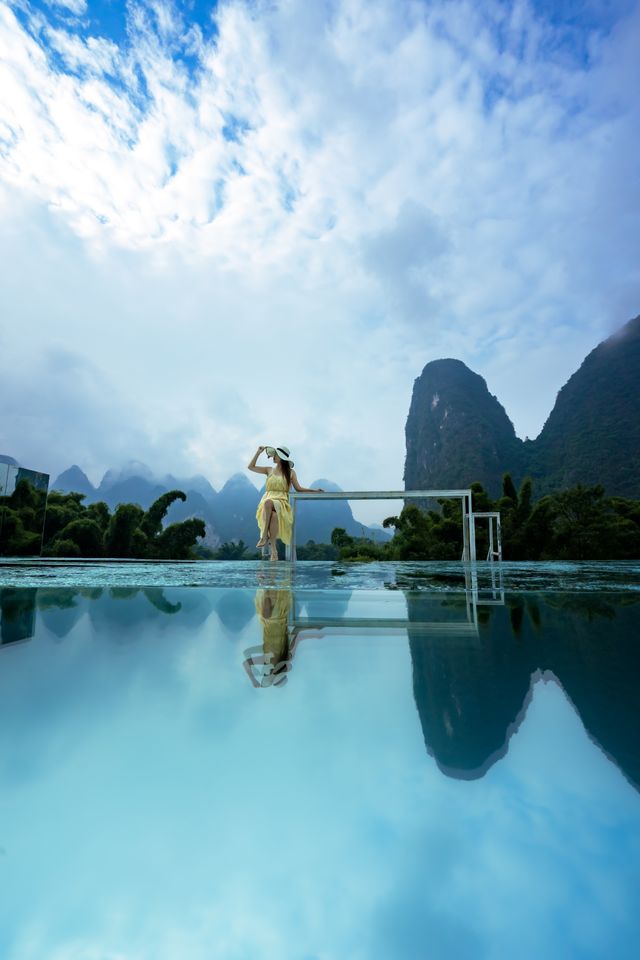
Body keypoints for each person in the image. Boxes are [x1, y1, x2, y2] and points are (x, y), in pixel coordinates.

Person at [247, 444, 324, 561]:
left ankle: (263, 536)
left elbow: (298, 488)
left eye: (276, 455)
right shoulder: (269, 470)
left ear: (282, 458)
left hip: (281, 501)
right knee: (272, 515)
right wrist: (258, 452)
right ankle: (274, 552)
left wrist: (314, 490)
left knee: (268, 503)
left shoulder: (290, 472)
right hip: (268, 499)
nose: (273, 457)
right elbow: (251, 467)